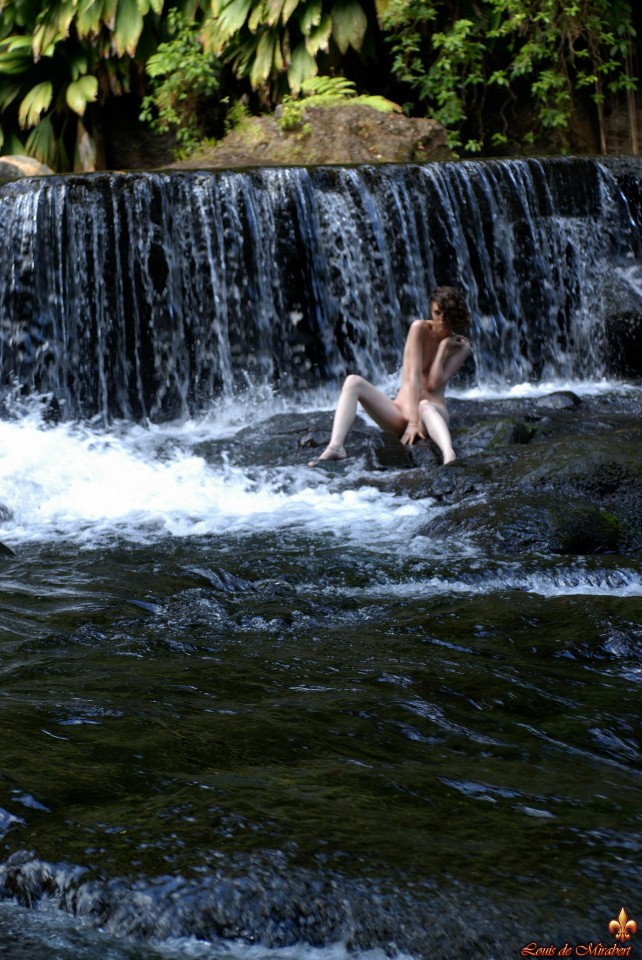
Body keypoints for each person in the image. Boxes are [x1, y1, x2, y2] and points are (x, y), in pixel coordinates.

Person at [309, 286, 471, 467]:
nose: (441, 319)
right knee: (353, 381)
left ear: (456, 314)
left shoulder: (461, 346)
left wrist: (443, 350)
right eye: (437, 313)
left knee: (424, 405)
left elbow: (434, 384)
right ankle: (336, 446)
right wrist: (412, 422)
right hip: (400, 413)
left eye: (447, 314)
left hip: (431, 414)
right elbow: (414, 376)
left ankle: (448, 453)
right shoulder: (419, 328)